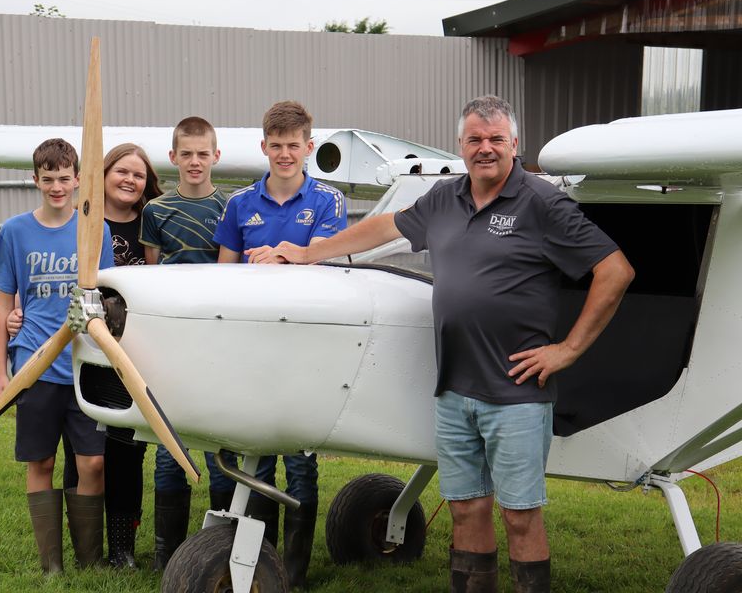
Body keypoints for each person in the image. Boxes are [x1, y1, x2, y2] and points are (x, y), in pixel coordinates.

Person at [250, 95, 635, 593]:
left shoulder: (542, 202)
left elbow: (615, 269)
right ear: (461, 145)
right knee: (465, 509)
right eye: (475, 139)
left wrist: (568, 349)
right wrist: (308, 253)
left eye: (496, 139)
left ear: (515, 145)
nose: (486, 148)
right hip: (455, 390)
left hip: (516, 393)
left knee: (520, 517)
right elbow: (383, 226)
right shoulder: (445, 198)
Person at [214, 100, 347, 589]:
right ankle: (259, 565)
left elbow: (330, 268)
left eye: (295, 145)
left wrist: (287, 259)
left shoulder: (329, 201)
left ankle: (294, 573)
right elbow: (222, 276)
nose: (285, 154)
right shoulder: (239, 204)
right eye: (277, 146)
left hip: (303, 347)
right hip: (250, 345)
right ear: (263, 147)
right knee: (255, 456)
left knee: (301, 462)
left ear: (309, 147)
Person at [0, 137, 115, 574]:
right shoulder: (15, 232)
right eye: (48, 180)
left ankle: (90, 559)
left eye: (64, 178)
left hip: (86, 367)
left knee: (92, 463)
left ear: (78, 179)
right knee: (40, 460)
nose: (57, 187)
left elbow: (110, 293)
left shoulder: (95, 228)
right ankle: (50, 565)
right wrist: (2, 371)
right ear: (35, 180)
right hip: (35, 365)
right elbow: (4, 304)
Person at [138, 116, 238, 571]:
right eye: (187, 154)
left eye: (204, 154)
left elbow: (229, 273)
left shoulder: (230, 207)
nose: (195, 162)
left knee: (221, 443)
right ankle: (168, 553)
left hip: (217, 337)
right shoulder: (156, 211)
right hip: (172, 340)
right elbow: (153, 275)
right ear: (173, 157)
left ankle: (221, 544)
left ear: (215, 157)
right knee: (168, 447)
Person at [96, 142, 163, 568]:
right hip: (95, 348)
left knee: (132, 446)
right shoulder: (82, 222)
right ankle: (105, 546)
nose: (129, 180)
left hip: (145, 345)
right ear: (104, 174)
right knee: (99, 449)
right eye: (122, 171)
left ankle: (133, 544)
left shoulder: (153, 222)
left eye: (138, 175)